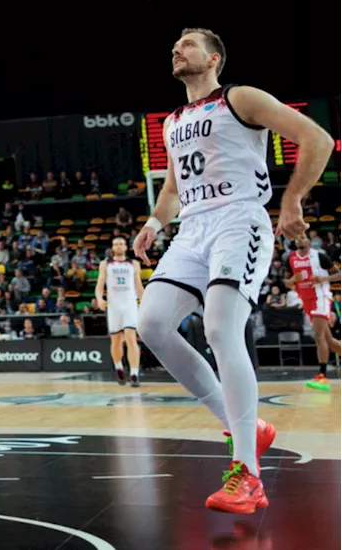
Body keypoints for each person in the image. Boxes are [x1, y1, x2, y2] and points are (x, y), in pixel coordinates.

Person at [133, 28, 334, 514]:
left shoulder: (239, 98)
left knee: (222, 327)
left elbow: (317, 137)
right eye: (174, 45)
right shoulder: (172, 121)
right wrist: (155, 222)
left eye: (188, 44)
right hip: (193, 230)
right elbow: (174, 188)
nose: (177, 49)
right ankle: (240, 421)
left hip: (239, 221)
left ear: (214, 57)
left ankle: (247, 473)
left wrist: (291, 201)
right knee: (151, 324)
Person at [287, 236, 342, 391]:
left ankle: (322, 377)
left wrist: (323, 278)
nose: (299, 239)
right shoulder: (291, 258)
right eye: (297, 238)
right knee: (329, 341)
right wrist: (292, 279)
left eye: (303, 237)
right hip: (306, 299)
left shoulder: (319, 256)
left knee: (318, 336)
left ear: (308, 241)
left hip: (320, 297)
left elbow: (338, 274)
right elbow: (286, 282)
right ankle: (322, 375)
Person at [94, 236, 145, 387]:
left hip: (129, 303)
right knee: (116, 340)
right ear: (112, 247)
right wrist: (99, 298)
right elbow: (100, 284)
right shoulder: (105, 264)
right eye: (115, 244)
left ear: (126, 247)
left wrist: (145, 301)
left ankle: (134, 373)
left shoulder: (134, 263)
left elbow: (138, 285)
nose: (118, 246)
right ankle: (119, 367)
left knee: (131, 337)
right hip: (114, 304)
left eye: (121, 243)